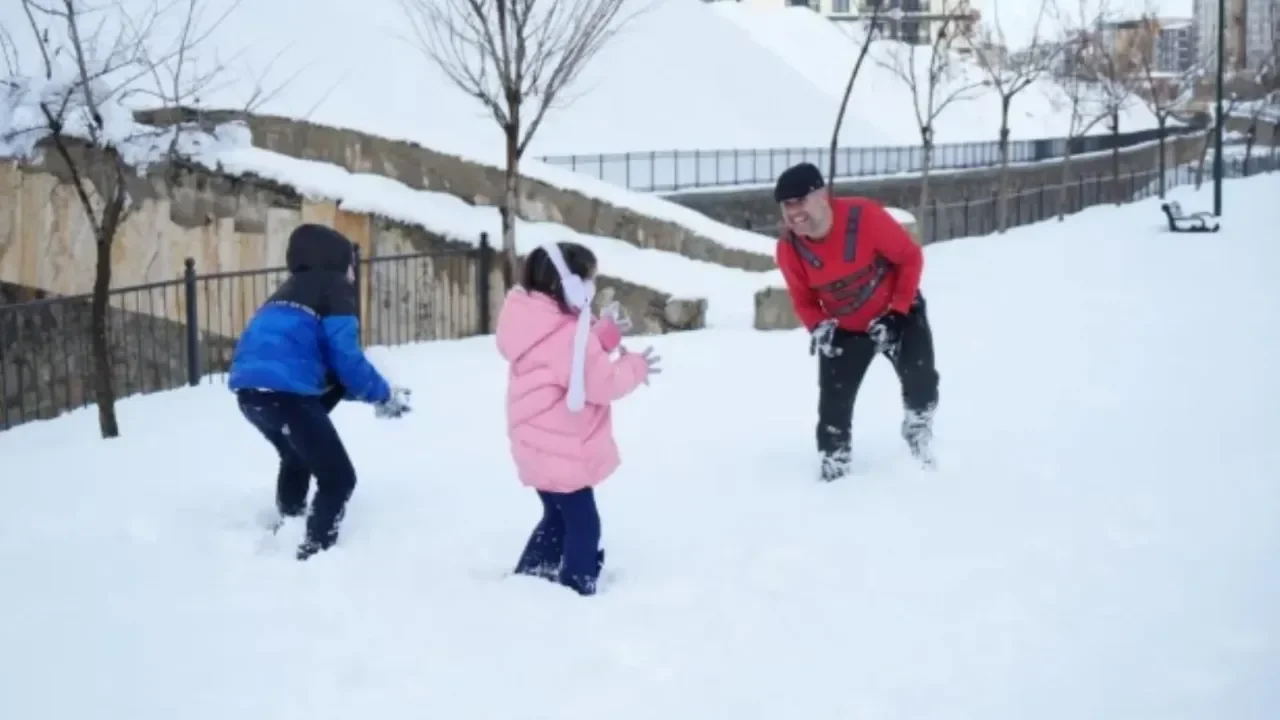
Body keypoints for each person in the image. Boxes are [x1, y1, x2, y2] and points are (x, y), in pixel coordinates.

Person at [228, 223, 411, 560]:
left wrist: (370, 393)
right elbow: (347, 358)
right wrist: (383, 395)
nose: (354, 276)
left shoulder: (285, 292)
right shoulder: (334, 288)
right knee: (339, 478)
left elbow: (328, 372)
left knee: (296, 456)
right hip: (287, 396)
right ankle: (314, 552)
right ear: (338, 262)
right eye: (352, 265)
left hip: (251, 394)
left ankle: (290, 523)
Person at [495, 241, 660, 596]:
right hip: (562, 451)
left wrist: (604, 337)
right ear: (567, 286)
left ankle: (530, 577)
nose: (592, 290)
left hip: (536, 446)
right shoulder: (569, 335)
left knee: (557, 517)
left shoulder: (532, 322)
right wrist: (635, 366)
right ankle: (575, 590)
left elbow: (568, 357)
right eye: (588, 281)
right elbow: (602, 383)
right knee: (584, 525)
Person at [772, 162, 940, 481]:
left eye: (800, 201)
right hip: (845, 330)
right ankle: (835, 464)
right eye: (786, 205)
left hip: (897, 314)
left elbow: (909, 258)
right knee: (833, 409)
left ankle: (918, 429)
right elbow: (803, 299)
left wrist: (898, 311)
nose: (794, 212)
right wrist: (820, 326)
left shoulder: (864, 217)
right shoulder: (789, 250)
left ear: (822, 196)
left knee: (922, 383)